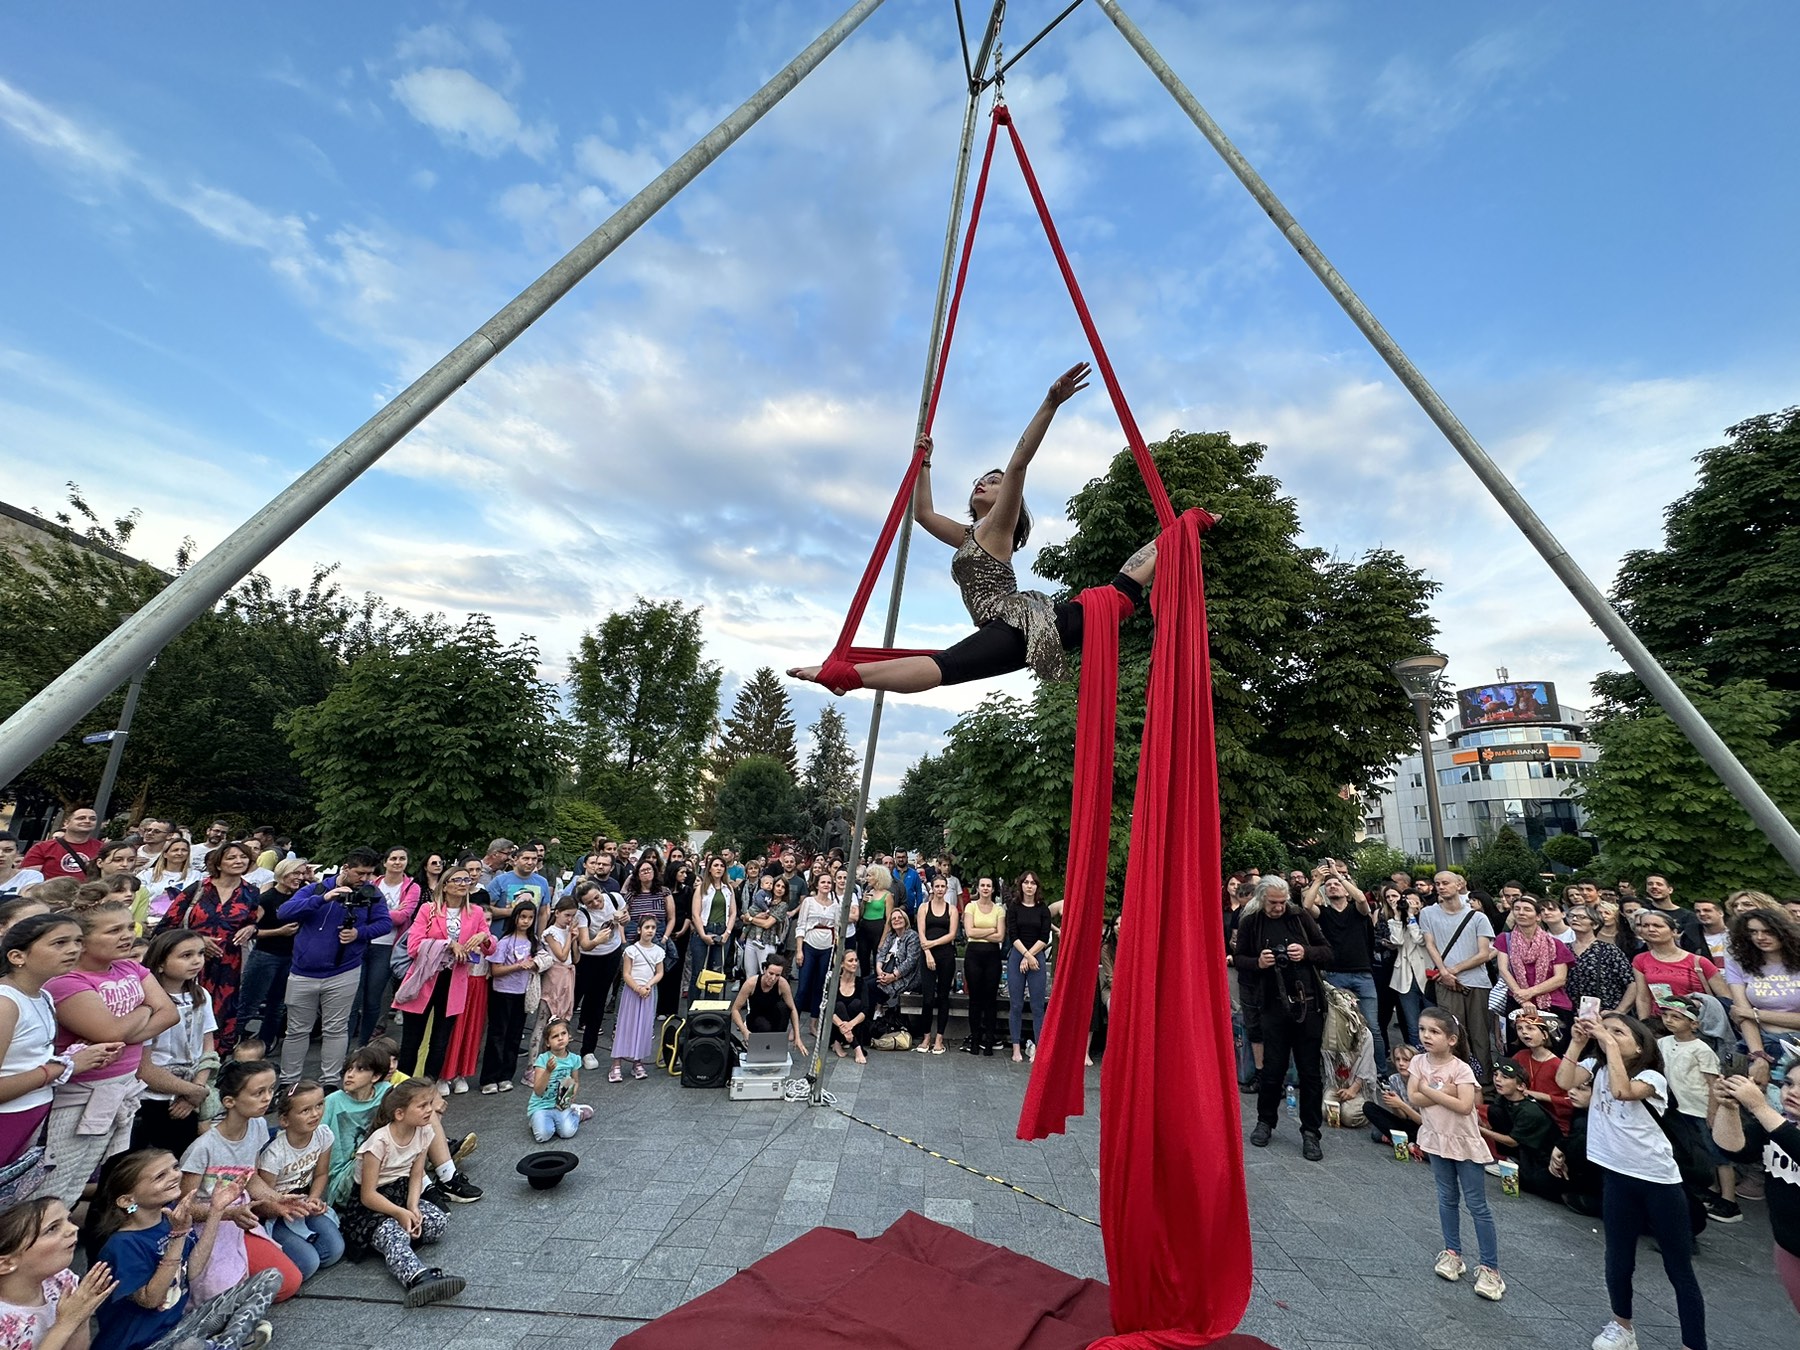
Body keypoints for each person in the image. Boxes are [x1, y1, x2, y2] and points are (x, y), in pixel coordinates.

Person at [789, 364, 1168, 696]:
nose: (983, 483)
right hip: (1011, 624)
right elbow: (922, 514)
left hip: (1015, 619)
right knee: (1119, 594)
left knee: (947, 666)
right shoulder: (971, 537)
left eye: (994, 481)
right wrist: (924, 463)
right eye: (981, 480)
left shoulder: (998, 527)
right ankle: (1176, 535)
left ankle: (845, 676)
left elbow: (1018, 463)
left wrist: (1050, 404)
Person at [1557, 1012, 1708, 1350]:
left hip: (1658, 1182)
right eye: (1606, 1030)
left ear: (1639, 1045)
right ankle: (1622, 1326)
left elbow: (1623, 1090)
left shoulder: (1653, 1076)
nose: (1608, 1035)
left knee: (1677, 1266)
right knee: (1618, 1256)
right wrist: (1579, 1041)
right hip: (1617, 1175)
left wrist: (1606, 1042)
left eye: (1618, 1032)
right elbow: (1564, 1080)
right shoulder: (1597, 1069)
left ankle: (1694, 1343)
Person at [44, 904, 177, 1208]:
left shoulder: (130, 967)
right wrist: (144, 1009)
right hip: (80, 1096)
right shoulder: (67, 980)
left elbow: (168, 1013)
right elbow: (108, 1032)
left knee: (83, 1180)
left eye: (130, 927)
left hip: (120, 1089)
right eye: (114, 930)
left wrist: (123, 1027)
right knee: (57, 1184)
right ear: (84, 940)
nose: (127, 936)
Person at [84, 1149, 282, 1350]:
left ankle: (224, 1345)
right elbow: (150, 1299)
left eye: (174, 1167)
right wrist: (178, 1235)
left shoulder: (168, 1220)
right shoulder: (122, 1244)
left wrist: (216, 1210)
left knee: (270, 1278)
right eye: (160, 1176)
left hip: (178, 1328)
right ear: (128, 1200)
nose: (175, 1175)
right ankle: (224, 1344)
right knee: (189, 1347)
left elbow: (193, 1270)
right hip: (142, 1345)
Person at [175, 1060, 304, 1303]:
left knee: (289, 1282)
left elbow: (249, 1177)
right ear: (229, 1102)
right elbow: (184, 1207)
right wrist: (227, 1214)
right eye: (258, 1093)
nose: (268, 1098)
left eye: (270, 1090)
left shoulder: (257, 1126)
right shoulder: (203, 1148)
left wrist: (277, 1198)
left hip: (240, 1217)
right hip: (208, 1225)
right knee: (215, 1292)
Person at [336, 1077, 464, 1308]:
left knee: (437, 1221)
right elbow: (368, 1195)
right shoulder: (378, 1143)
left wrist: (413, 1207)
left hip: (401, 1196)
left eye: (429, 1104)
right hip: (371, 1208)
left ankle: (396, 1239)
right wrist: (399, 1213)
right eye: (422, 1106)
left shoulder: (424, 1132)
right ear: (399, 1113)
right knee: (394, 1234)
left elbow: (416, 1175)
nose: (429, 1110)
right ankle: (417, 1278)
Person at [0, 915, 113, 1171]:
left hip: (31, 1115)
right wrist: (65, 1067)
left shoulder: (44, 996)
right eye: (59, 943)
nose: (73, 949)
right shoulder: (5, 1003)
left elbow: (27, 1057)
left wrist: (82, 1056)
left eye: (77, 941)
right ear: (18, 957)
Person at [1235, 876, 1333, 1161]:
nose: (1279, 907)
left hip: (1307, 1004)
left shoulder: (1299, 917)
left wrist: (1305, 952)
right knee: (1272, 1069)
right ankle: (1265, 1121)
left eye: (1282, 902)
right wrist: (1258, 962)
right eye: (1273, 903)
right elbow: (1238, 958)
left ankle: (1311, 1131)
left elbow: (1327, 951)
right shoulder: (1251, 921)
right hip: (1272, 1005)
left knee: (1310, 1072)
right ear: (1262, 899)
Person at [276, 849, 391, 1090]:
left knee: (336, 1029)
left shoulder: (371, 894)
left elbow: (385, 924)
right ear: (346, 867)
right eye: (360, 873)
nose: (365, 879)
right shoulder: (317, 889)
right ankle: (289, 1083)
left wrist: (360, 934)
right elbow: (283, 912)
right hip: (303, 971)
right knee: (297, 1030)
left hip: (343, 971)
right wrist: (324, 898)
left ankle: (330, 1082)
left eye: (370, 874)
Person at [1411, 1007, 1504, 1301]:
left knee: (1477, 1204)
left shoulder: (1461, 1068)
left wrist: (1435, 1091)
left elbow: (1466, 1106)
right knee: (1446, 1197)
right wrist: (1444, 1092)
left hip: (1463, 1141)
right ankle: (1453, 1252)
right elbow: (1413, 1097)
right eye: (1423, 1029)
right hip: (1437, 1139)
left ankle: (1490, 1268)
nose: (1427, 1036)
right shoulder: (1417, 1062)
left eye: (1434, 1031)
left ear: (1452, 1039)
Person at [1711, 1073, 1800, 1316]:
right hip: (1789, 1247)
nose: (1793, 1092)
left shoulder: (1777, 1125)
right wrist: (1728, 1107)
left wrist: (1760, 1106)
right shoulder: (1782, 1123)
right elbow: (1736, 1149)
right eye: (1789, 1083)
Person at [162, 841, 260, 1051]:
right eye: (231, 857)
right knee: (188, 1012)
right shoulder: (199, 888)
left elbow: (252, 921)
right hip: (192, 964)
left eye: (243, 857)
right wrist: (198, 940)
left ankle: (212, 1063)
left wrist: (252, 928)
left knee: (220, 1016)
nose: (238, 861)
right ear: (219, 863)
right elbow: (167, 925)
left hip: (228, 966)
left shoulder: (251, 892)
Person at [129, 929, 217, 1157]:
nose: (196, 960)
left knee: (182, 1157)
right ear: (160, 964)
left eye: (200, 953)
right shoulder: (146, 1002)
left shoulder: (201, 995)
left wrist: (194, 1092)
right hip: (152, 1098)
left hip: (189, 1095)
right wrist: (193, 1091)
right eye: (186, 955)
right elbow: (144, 1066)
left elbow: (208, 1048)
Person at [1653, 994, 1739, 1224]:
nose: (1669, 1021)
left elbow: (1713, 1084)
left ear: (1694, 1024)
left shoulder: (1702, 1050)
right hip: (1678, 1107)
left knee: (1716, 1152)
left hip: (1701, 1109)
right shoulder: (1664, 1043)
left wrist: (1713, 1112)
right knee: (1694, 1151)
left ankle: (1729, 1201)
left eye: (1677, 1017)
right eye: (1666, 1015)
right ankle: (1707, 1189)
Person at [0, 1196, 117, 1350]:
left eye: (68, 1219)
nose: (73, 1228)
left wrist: (82, 1316)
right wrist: (66, 1323)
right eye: (52, 1228)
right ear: (6, 1263)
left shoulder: (61, 1280)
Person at [256, 1080, 343, 1283]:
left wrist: (314, 1199)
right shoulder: (275, 1154)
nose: (315, 1114)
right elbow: (262, 1203)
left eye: (319, 1105)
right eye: (305, 1110)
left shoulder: (323, 1135)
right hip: (277, 1213)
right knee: (308, 1264)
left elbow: (321, 1174)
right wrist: (284, 1209)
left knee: (335, 1250)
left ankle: (300, 1246)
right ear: (285, 1120)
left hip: (303, 1205)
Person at [1304, 861, 1384, 1066]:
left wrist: (1340, 877)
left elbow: (1359, 897)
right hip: (1335, 974)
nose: (1332, 886)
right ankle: (1345, 1070)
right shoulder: (1325, 913)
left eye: (1336, 885)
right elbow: (1306, 906)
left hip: (1362, 974)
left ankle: (1380, 1070)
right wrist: (1319, 880)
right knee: (1340, 1026)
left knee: (1371, 1027)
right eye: (1329, 886)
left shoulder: (1358, 911)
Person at [1419, 872, 1497, 1082]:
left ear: (1459, 884)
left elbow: (1484, 953)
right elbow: (1430, 944)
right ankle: (1455, 1080)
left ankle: (1485, 1083)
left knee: (1480, 1035)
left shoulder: (1478, 916)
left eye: (1445, 883)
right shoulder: (1428, 913)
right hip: (1445, 982)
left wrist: (1452, 970)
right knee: (1451, 1035)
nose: (1441, 887)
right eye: (1437, 884)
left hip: (1476, 981)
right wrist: (1443, 972)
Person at [1723, 906, 1800, 1088]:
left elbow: (1744, 1012)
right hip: (1756, 1041)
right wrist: (1759, 1056)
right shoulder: (1740, 962)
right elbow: (1742, 1013)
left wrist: (1754, 1014)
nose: (1760, 938)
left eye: (1768, 931)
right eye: (1753, 932)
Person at [353, 846, 423, 1045]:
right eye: (393, 858)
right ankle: (349, 1041)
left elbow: (403, 916)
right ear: (385, 862)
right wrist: (387, 914)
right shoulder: (373, 883)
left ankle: (365, 1042)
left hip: (387, 946)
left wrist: (376, 914)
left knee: (374, 997)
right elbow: (361, 913)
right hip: (363, 942)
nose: (397, 862)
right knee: (355, 998)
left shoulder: (412, 887)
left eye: (402, 858)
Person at [234, 858, 303, 1053]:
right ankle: (230, 1043)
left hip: (290, 958)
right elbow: (250, 931)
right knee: (249, 1003)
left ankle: (264, 1045)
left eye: (301, 873)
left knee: (278, 1005)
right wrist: (278, 932)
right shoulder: (267, 898)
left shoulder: (300, 896)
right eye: (294, 873)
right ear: (282, 874)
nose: (298, 878)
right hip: (266, 955)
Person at [1485, 1059, 1564, 1200]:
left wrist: (1479, 1129)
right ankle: (1512, 1161)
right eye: (1496, 1074)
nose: (1497, 1079)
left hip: (1545, 1158)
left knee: (1538, 1185)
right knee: (1494, 1110)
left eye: (1505, 1077)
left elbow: (1512, 1141)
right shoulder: (1503, 1100)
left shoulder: (1530, 1111)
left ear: (1521, 1086)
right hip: (1526, 1151)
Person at [1628, 910, 1728, 1020]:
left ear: (1674, 931)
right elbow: (1643, 998)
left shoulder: (1698, 962)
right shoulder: (1640, 960)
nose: (1651, 929)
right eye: (1645, 926)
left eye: (1657, 926)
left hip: (1696, 1022)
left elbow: (1725, 998)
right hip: (1660, 1023)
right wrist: (1644, 1025)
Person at [481, 901, 537, 1094]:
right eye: (523, 917)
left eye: (530, 918)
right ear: (515, 918)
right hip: (502, 992)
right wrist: (518, 966)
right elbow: (495, 970)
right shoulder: (504, 941)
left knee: (514, 1035)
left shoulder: (533, 942)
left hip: (522, 993)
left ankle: (506, 1075)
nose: (526, 921)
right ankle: (489, 1077)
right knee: (498, 1034)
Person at [571, 878, 626, 1069]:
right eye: (589, 902)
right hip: (588, 959)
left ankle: (588, 1050)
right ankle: (555, 1044)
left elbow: (625, 913)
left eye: (596, 898)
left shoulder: (614, 898)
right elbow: (585, 943)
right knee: (574, 998)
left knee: (599, 1000)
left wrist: (624, 918)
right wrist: (597, 940)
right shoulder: (582, 914)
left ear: (600, 891)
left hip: (611, 954)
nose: (595, 903)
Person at [1493, 896, 1574, 1017]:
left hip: (1552, 1002)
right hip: (1517, 1000)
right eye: (1517, 909)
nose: (1521, 913)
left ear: (1538, 917)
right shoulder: (1504, 939)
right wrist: (1523, 999)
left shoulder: (1555, 944)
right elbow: (1503, 970)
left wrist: (1529, 993)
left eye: (1527, 909)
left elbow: (1560, 978)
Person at [1004, 872, 1051, 1062]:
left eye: (1032, 883)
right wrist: (1026, 956)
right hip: (1018, 955)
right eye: (1026, 882)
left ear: (1036, 886)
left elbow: (1044, 935)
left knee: (1038, 1006)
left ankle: (1039, 1047)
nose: (1029, 886)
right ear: (1021, 885)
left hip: (1036, 956)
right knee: (1015, 1004)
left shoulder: (1043, 909)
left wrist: (1030, 956)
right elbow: (1013, 935)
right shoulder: (1014, 907)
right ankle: (1016, 1048)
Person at [611, 918, 665, 1082]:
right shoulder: (631, 950)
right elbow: (626, 973)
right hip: (632, 992)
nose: (650, 930)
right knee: (625, 1025)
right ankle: (616, 1064)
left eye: (653, 928)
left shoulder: (658, 951)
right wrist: (637, 988)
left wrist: (648, 986)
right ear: (639, 930)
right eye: (647, 927)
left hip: (648, 992)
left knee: (644, 1027)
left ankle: (637, 1062)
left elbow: (659, 972)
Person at [1565, 904, 1638, 1017]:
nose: (1575, 919)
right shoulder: (1564, 949)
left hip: (1605, 1014)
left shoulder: (1609, 950)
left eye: (1581, 917)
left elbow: (1631, 983)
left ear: (1595, 924)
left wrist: (1619, 1011)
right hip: (1571, 1015)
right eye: (1572, 916)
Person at [914, 875, 959, 1055]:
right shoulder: (924, 908)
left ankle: (939, 1037)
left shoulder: (952, 909)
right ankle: (926, 1036)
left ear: (946, 888)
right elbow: (921, 932)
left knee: (943, 997)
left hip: (946, 956)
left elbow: (952, 935)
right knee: (927, 998)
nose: (940, 889)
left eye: (943, 886)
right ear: (932, 888)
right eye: (937, 886)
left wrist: (932, 945)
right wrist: (928, 953)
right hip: (927, 956)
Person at [793, 875, 841, 1042]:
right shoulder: (808, 902)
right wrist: (799, 950)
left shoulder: (835, 905)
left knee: (820, 988)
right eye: (823, 882)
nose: (826, 885)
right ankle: (795, 1025)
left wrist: (835, 953)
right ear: (817, 885)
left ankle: (814, 1024)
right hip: (809, 945)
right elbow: (800, 926)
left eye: (829, 882)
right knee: (803, 988)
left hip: (827, 948)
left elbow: (837, 929)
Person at [961, 878, 1006, 1057]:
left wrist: (981, 931)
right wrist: (991, 930)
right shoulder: (970, 906)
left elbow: (1001, 936)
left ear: (993, 889)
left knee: (990, 999)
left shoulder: (999, 909)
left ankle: (988, 1041)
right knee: (975, 999)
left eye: (988, 886)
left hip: (992, 956)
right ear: (978, 888)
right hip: (973, 955)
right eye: (983, 886)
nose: (985, 888)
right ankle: (975, 1039)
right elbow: (969, 932)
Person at [730, 953, 806, 1055]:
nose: (773, 978)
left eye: (777, 975)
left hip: (775, 1017)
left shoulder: (782, 984)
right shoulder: (751, 983)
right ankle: (758, 1046)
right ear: (764, 970)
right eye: (771, 973)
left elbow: (792, 1009)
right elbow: (735, 1009)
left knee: (784, 1008)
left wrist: (797, 1036)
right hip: (756, 1019)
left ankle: (777, 1045)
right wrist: (744, 1031)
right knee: (763, 1026)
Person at [1383, 888, 1430, 1050]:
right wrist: (1397, 914)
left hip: (1426, 975)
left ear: (1421, 904)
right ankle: (1417, 1056)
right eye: (1406, 901)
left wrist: (1411, 916)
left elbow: (1420, 939)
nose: (1408, 904)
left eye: (1413, 901)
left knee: (1431, 1021)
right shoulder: (1397, 921)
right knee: (1412, 1024)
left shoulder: (1428, 920)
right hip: (1405, 977)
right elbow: (1396, 941)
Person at [687, 858, 736, 1003]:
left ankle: (710, 1011)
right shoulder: (701, 888)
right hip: (704, 930)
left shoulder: (729, 888)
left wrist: (727, 932)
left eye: (722, 866)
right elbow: (695, 914)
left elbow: (733, 912)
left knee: (715, 974)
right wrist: (702, 934)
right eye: (715, 865)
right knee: (698, 971)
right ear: (709, 868)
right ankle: (692, 1011)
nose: (719, 868)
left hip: (722, 930)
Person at [528, 1018, 582, 1144]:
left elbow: (575, 1080)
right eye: (555, 1036)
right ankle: (537, 1119)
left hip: (561, 1104)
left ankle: (577, 1113)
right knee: (543, 1136)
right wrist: (548, 1071)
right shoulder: (543, 1059)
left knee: (567, 1132)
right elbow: (538, 1090)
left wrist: (572, 1094)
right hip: (541, 1106)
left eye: (563, 1034)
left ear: (569, 1036)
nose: (560, 1038)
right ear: (547, 1042)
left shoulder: (574, 1059)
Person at [134, 835, 199, 934]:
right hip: (148, 923)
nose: (179, 853)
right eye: (175, 850)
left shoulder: (196, 876)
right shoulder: (147, 874)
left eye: (184, 850)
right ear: (165, 854)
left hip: (178, 926)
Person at [873, 907, 922, 1037]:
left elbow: (910, 962)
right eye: (894, 918)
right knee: (866, 983)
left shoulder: (912, 936)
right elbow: (881, 954)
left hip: (906, 977)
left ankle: (877, 1015)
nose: (897, 920)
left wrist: (892, 977)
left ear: (905, 920)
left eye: (899, 917)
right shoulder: (891, 936)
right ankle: (873, 1019)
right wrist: (879, 972)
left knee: (875, 987)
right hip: (885, 973)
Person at [19, 810, 100, 884]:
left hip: (88, 895)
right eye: (81, 818)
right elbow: (27, 876)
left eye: (92, 819)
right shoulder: (42, 847)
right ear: (66, 823)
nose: (87, 821)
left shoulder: (102, 848)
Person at [1643, 874, 1706, 956]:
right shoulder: (1643, 913)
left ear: (1670, 890)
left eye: (1659, 884)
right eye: (1650, 884)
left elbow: (1694, 946)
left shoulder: (1688, 916)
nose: (1654, 887)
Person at [828, 950, 871, 1064]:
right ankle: (856, 1048)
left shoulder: (861, 983)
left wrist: (849, 1025)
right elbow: (828, 1009)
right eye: (850, 960)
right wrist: (843, 1027)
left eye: (856, 960)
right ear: (842, 964)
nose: (854, 963)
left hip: (855, 1025)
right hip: (834, 1024)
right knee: (839, 1006)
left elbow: (866, 1010)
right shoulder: (833, 982)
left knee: (856, 1004)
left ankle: (838, 1042)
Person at [0, 833, 47, 901]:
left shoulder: (29, 876)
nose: (1, 854)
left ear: (17, 853)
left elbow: (24, 903)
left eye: (8, 850)